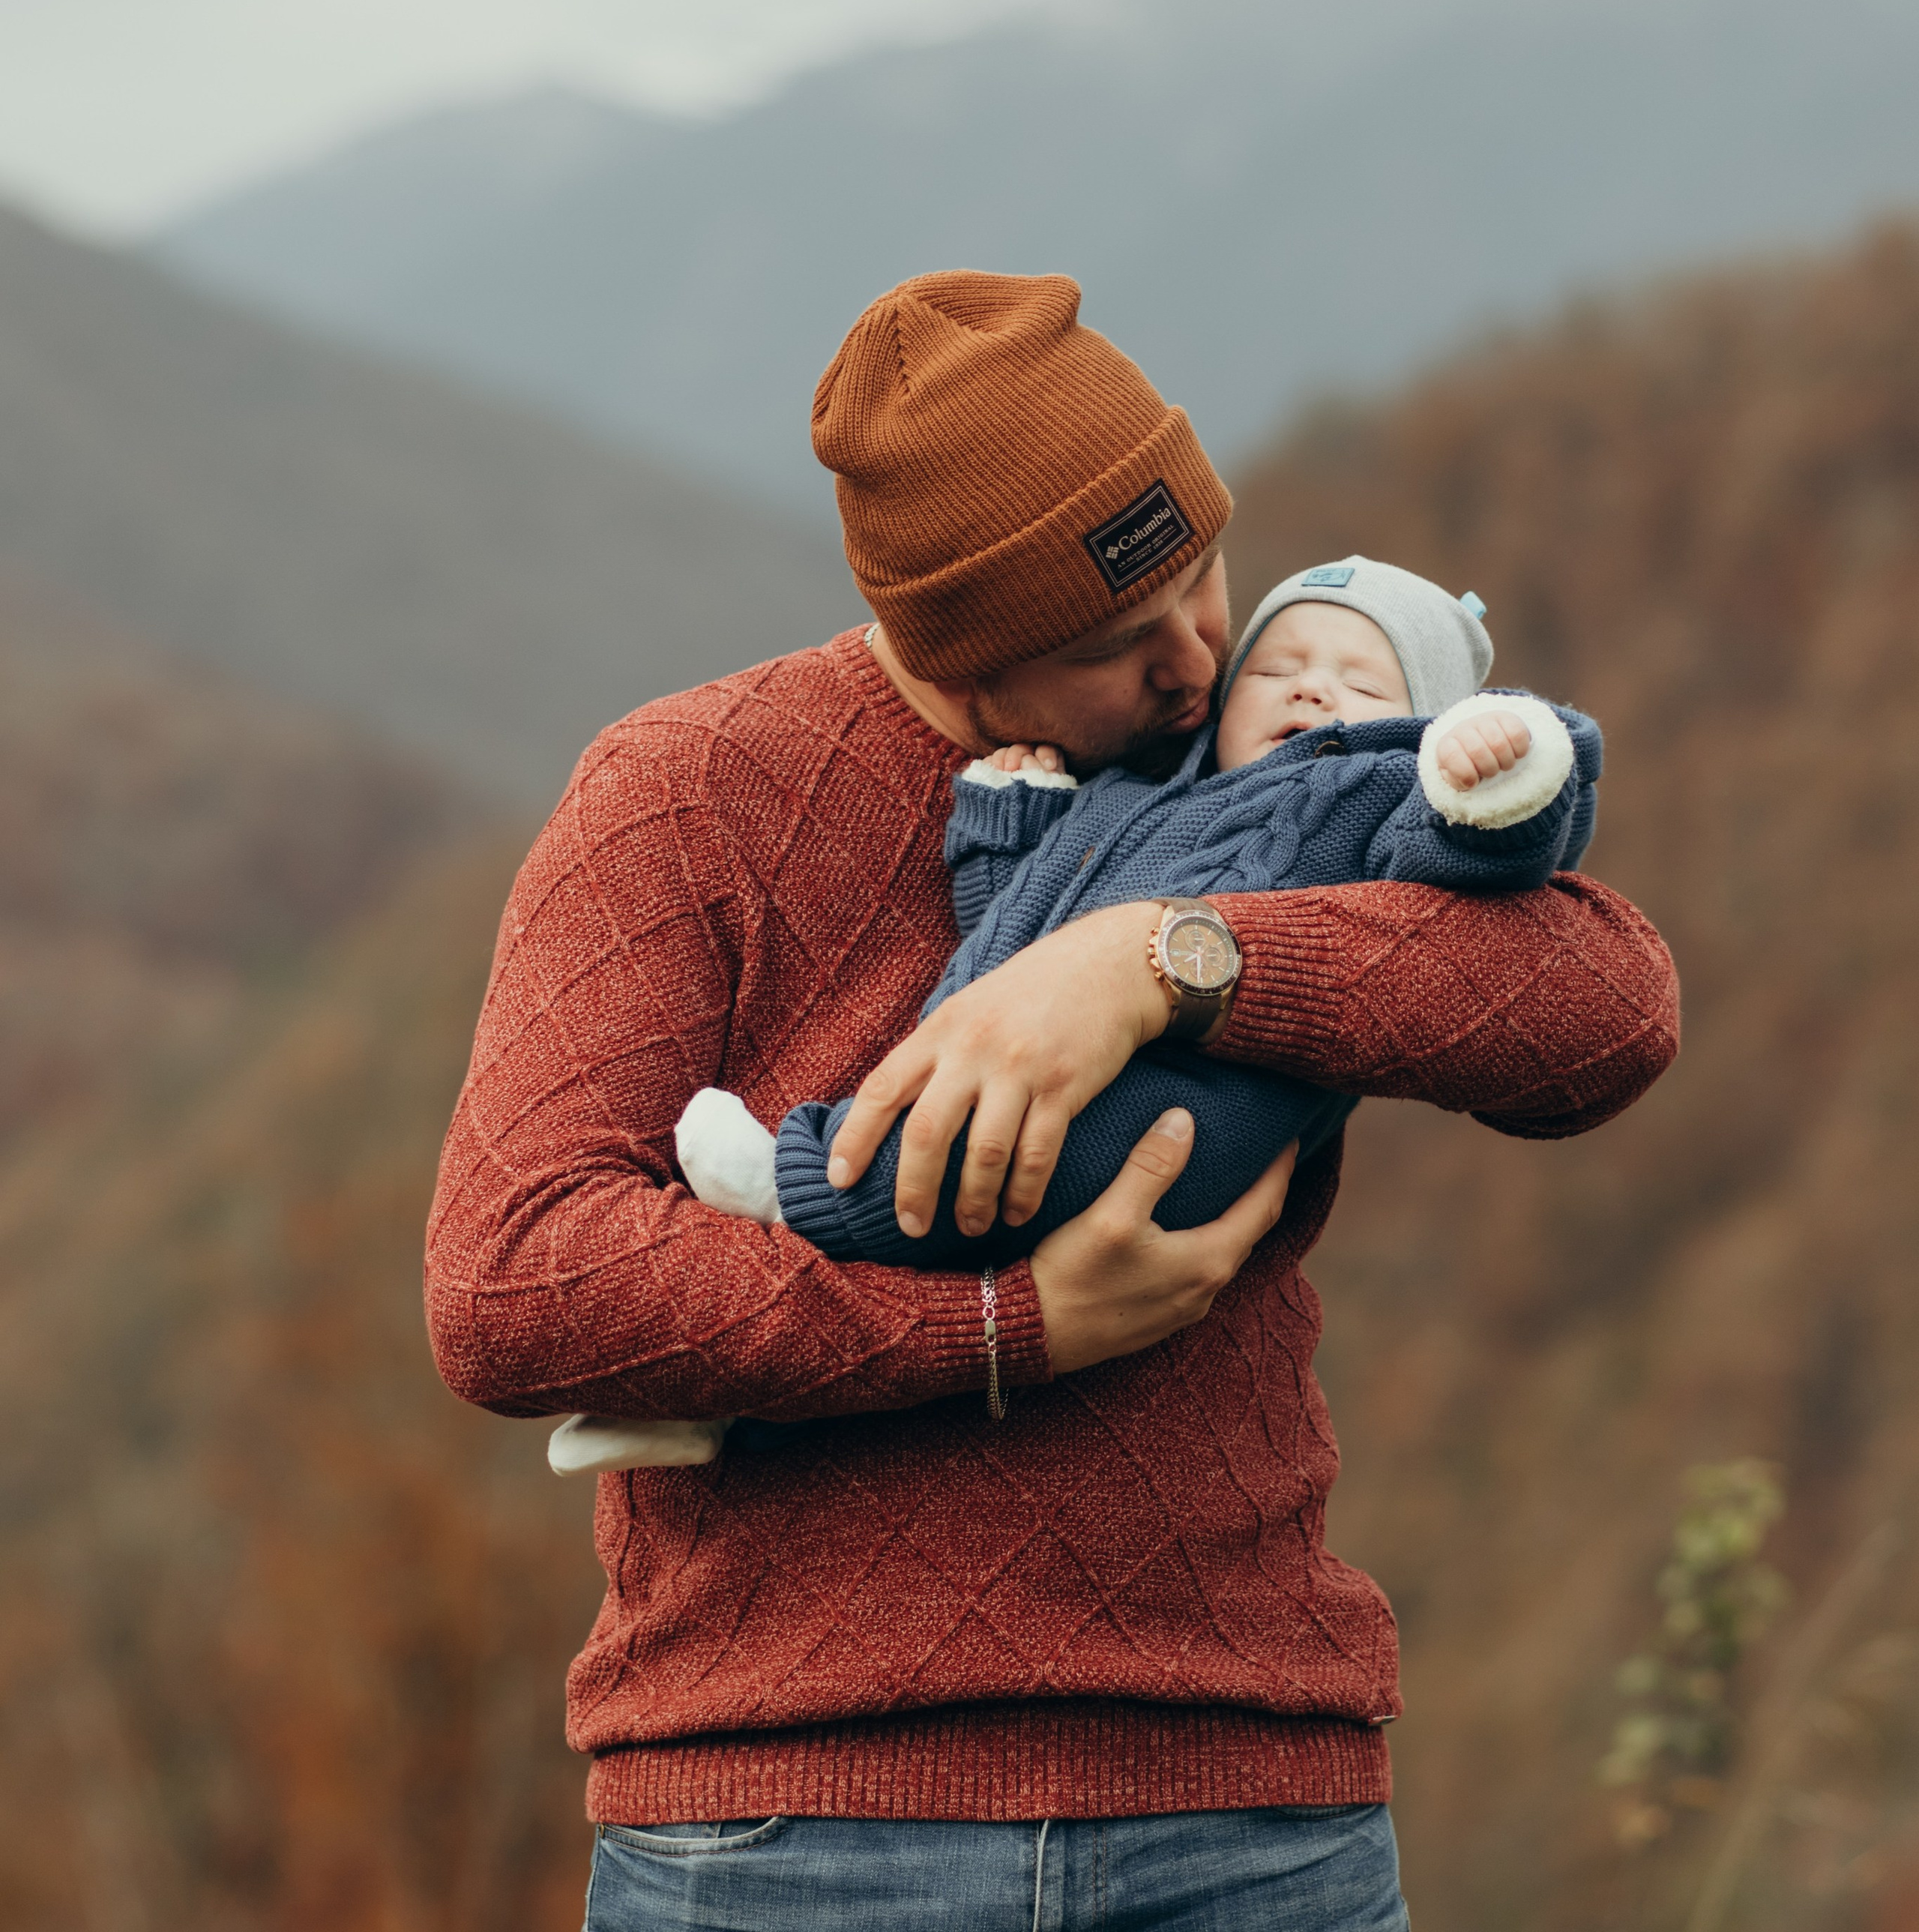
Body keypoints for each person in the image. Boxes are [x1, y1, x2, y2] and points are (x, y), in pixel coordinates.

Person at [425, 269, 1678, 1932]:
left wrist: (1158, 960)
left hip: (1247, 1804)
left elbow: (1601, 1007)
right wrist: (1001, 1330)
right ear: (955, 656)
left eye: (1200, 575)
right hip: (797, 1828)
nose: (1195, 661)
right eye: (1111, 644)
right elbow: (515, 1278)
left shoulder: (1256, 757)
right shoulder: (684, 792)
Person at [552, 555, 1603, 1484]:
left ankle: (796, 1189)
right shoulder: (1150, 791)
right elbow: (1017, 929)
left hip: (1176, 1123)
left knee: (964, 1158)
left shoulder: (1368, 800)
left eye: (1363, 683)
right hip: (1060, 1105)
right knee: (957, 1172)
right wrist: (1014, 826)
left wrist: (1497, 774)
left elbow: (1498, 883)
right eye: (1279, 667)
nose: (1311, 688)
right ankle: (720, 1414)